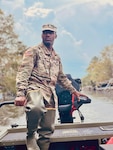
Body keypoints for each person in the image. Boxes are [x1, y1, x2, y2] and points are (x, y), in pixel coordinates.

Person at [15, 24, 88, 150]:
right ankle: (31, 134)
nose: (47, 35)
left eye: (50, 33)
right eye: (45, 32)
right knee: (35, 107)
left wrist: (74, 91)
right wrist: (20, 93)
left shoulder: (56, 57)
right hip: (35, 88)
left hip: (51, 94)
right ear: (42, 35)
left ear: (55, 36)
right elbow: (23, 72)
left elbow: (61, 78)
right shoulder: (33, 51)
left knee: (47, 131)